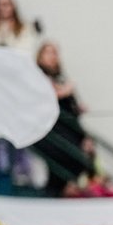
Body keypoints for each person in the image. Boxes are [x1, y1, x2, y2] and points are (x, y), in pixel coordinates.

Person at [33, 41, 91, 196]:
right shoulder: (36, 76)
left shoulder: (61, 77)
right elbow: (44, 97)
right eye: (49, 53)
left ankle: (68, 188)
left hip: (69, 127)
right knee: (62, 157)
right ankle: (58, 191)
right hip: (51, 131)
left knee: (83, 157)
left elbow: (70, 105)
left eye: (55, 53)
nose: (53, 57)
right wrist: (64, 91)